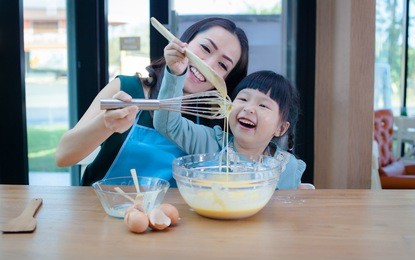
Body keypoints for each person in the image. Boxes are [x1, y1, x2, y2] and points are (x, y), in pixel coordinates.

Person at [55, 17, 249, 186]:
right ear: (184, 43)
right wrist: (106, 124)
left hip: (173, 220)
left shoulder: (215, 120)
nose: (208, 64)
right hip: (105, 211)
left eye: (223, 65)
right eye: (205, 48)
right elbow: (64, 155)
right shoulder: (128, 88)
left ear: (227, 80)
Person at [153, 41, 305, 189]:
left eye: (263, 105)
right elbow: (167, 124)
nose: (249, 108)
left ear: (280, 128)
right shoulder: (210, 142)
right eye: (243, 99)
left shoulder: (288, 167)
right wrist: (175, 74)